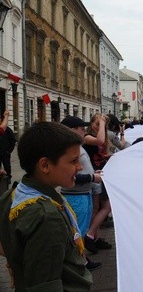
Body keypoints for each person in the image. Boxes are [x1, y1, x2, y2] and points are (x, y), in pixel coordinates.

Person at [0, 121, 93, 291]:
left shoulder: (14, 194)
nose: (80, 167)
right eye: (73, 161)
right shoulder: (47, 217)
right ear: (45, 165)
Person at [61, 116, 104, 271]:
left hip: (83, 194)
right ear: (72, 130)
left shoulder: (76, 146)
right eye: (81, 128)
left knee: (81, 230)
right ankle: (79, 263)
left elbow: (81, 169)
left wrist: (94, 172)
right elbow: (70, 176)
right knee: (77, 231)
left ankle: (83, 260)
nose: (84, 130)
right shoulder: (67, 149)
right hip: (75, 197)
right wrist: (93, 177)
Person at [83, 114, 113, 254]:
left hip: (100, 175)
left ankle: (94, 237)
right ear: (91, 124)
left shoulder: (102, 137)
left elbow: (102, 153)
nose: (99, 126)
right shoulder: (86, 137)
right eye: (96, 124)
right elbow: (99, 140)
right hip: (93, 176)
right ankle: (90, 236)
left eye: (101, 124)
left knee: (99, 208)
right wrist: (102, 122)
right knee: (102, 207)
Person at [0, 116, 16, 187]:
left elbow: (13, 140)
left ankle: (8, 177)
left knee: (7, 166)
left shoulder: (7, 130)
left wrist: (9, 150)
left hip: (5, 152)